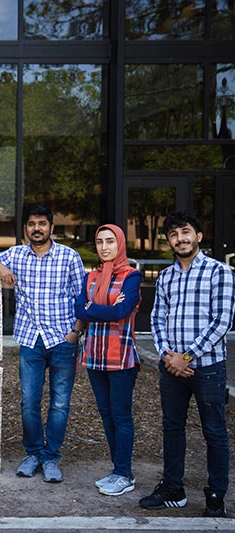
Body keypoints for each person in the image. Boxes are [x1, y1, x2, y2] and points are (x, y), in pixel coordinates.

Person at [0, 205, 85, 483]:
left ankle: (51, 458)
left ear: (51, 228)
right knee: (29, 403)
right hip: (31, 341)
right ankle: (33, 453)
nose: (37, 228)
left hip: (62, 340)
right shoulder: (15, 255)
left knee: (59, 404)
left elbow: (83, 298)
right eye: (32, 224)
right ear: (26, 228)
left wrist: (76, 332)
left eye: (42, 223)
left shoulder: (69, 257)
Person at [139, 211, 235, 518]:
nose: (180, 239)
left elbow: (222, 322)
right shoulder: (166, 277)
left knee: (215, 433)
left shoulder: (219, 272)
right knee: (172, 428)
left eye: (185, 233)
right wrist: (168, 355)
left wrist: (187, 357)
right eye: (174, 235)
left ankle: (216, 497)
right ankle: (173, 490)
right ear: (169, 241)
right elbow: (156, 318)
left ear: (198, 236)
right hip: (172, 369)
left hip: (207, 368)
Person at [74, 224, 142, 496]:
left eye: (110, 241)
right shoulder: (90, 277)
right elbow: (79, 309)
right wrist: (100, 310)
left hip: (121, 356)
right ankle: (118, 469)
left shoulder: (132, 276)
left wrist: (94, 309)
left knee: (121, 415)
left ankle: (124, 474)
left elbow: (123, 311)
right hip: (94, 355)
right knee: (106, 414)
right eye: (100, 241)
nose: (104, 247)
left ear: (120, 244)